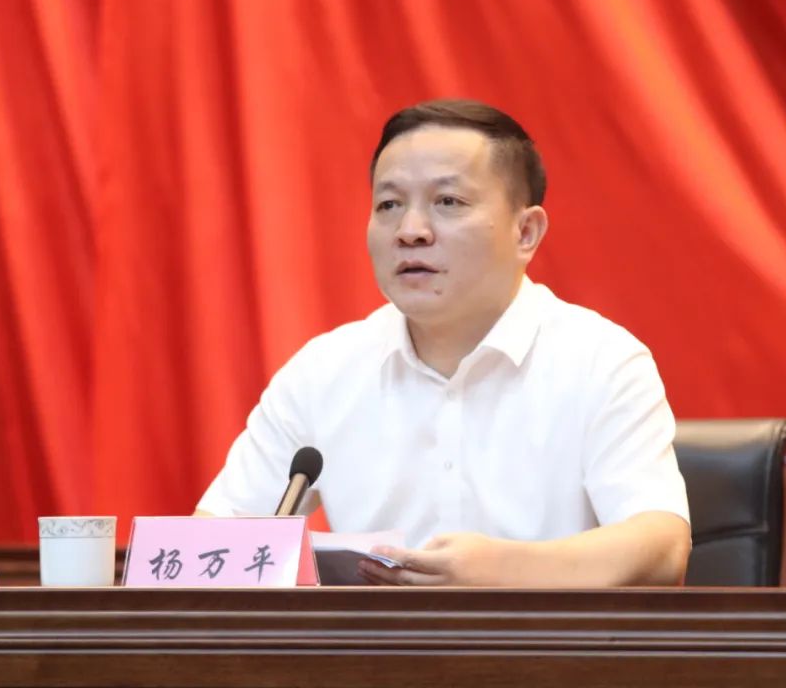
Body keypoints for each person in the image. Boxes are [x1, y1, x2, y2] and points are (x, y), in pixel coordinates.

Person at [196, 99, 691, 587]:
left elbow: (662, 548)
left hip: (544, 642)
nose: (410, 231)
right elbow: (208, 548)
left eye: (448, 202)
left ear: (525, 232)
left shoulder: (601, 361)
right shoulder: (323, 372)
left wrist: (503, 570)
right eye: (389, 205)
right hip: (370, 644)